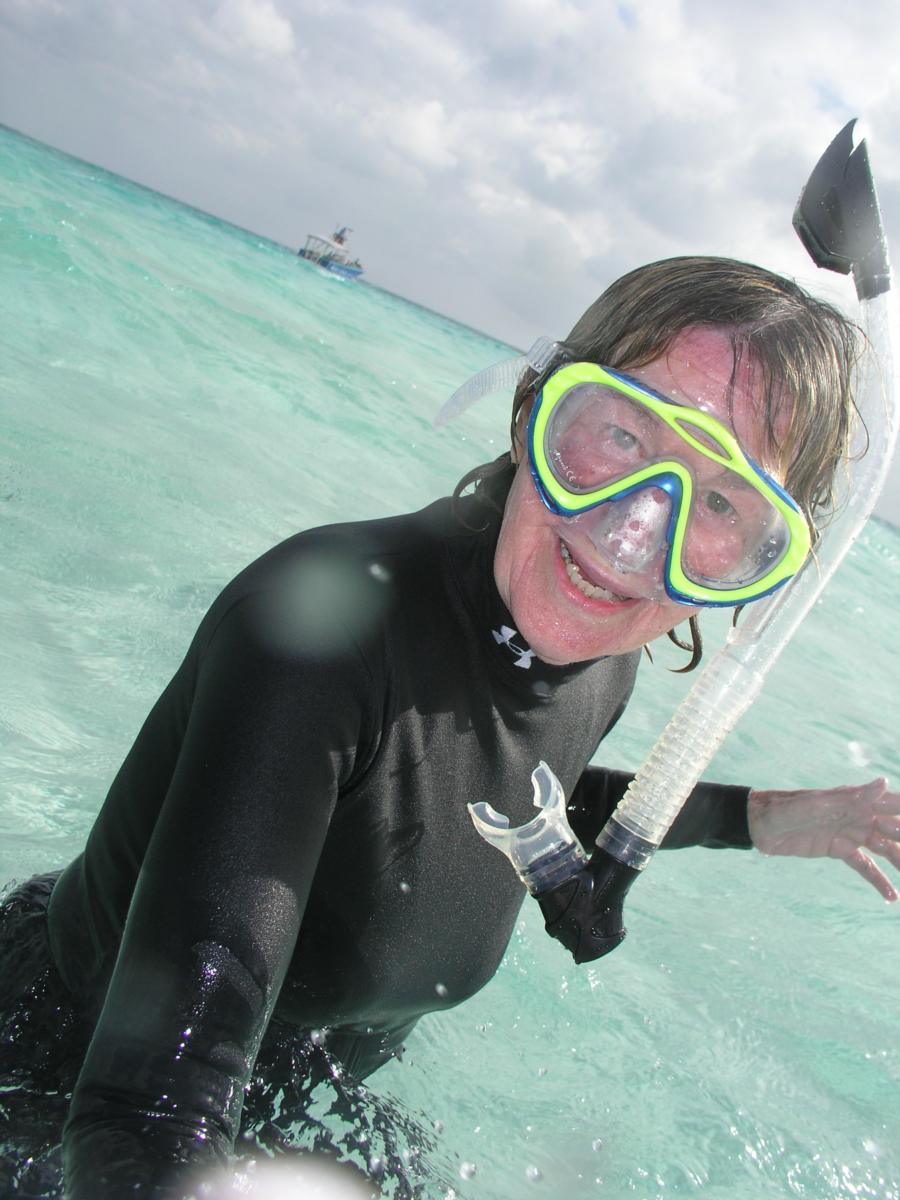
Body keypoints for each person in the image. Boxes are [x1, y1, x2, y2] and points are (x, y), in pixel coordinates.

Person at [2, 256, 898, 1200]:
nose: (633, 533)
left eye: (717, 503)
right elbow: (151, 1107)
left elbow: (502, 794)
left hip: (304, 1091)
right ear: (534, 412)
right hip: (56, 1088)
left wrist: (761, 817)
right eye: (627, 435)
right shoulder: (321, 641)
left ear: (756, 565)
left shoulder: (607, 658)